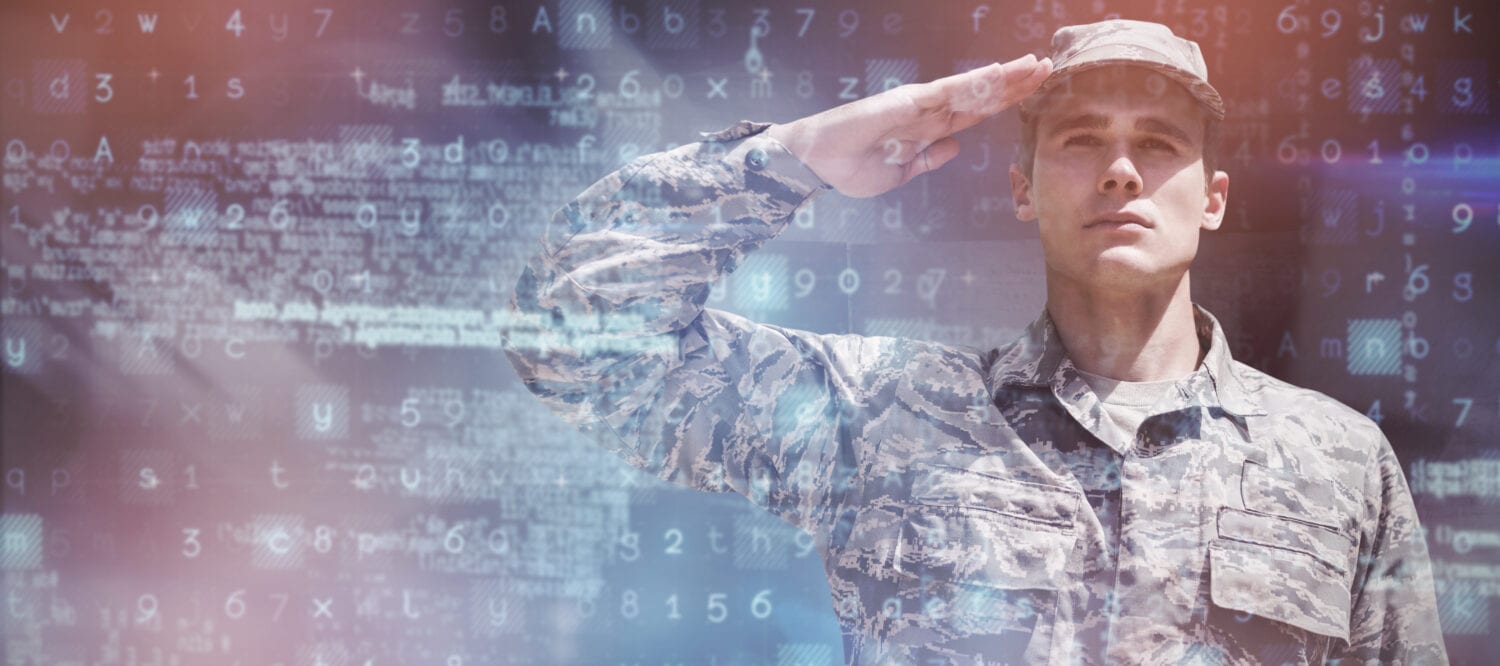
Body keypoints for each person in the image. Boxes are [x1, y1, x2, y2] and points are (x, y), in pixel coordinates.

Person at [504, 18, 1448, 665]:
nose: (1121, 170)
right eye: (1081, 139)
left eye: (1158, 143)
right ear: (1023, 188)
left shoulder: (1337, 461)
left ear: (1213, 198)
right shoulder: (884, 422)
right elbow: (572, 331)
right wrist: (800, 157)